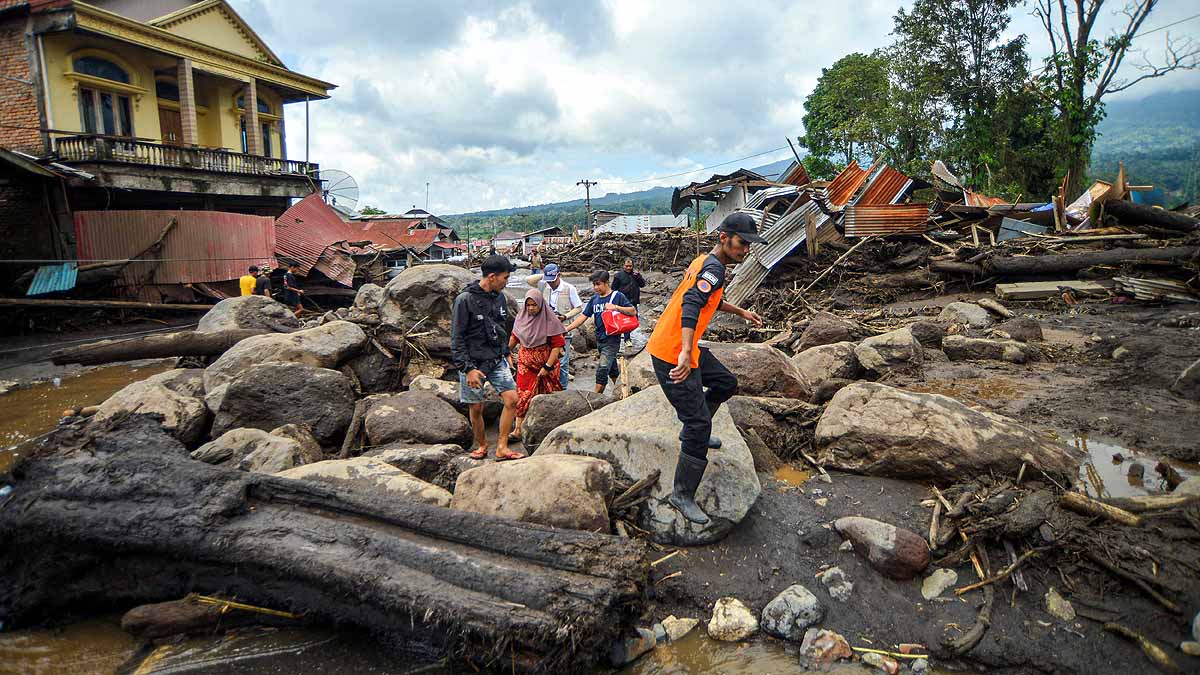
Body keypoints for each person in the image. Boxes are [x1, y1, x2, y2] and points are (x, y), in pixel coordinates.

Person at [646, 212, 766, 525]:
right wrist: (686, 351)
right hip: (672, 352)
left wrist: (741, 312)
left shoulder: (709, 264)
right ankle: (681, 494)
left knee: (726, 383)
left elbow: (710, 298)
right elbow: (691, 304)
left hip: (682, 346)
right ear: (724, 237)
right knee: (700, 423)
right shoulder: (713, 267)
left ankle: (692, 430)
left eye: (749, 245)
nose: (746, 250)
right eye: (742, 243)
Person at [451, 254, 522, 460]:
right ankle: (482, 445)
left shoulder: (500, 297)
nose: (506, 281)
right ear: (492, 276)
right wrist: (467, 368)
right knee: (476, 407)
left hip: (496, 359)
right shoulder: (464, 300)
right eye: (505, 277)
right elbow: (457, 337)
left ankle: (502, 446)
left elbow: (501, 328)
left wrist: (506, 352)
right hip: (473, 364)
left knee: (512, 399)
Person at [507, 288, 565, 440]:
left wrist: (547, 367)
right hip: (525, 365)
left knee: (547, 395)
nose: (531, 308)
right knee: (523, 394)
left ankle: (546, 428)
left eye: (534, 305)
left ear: (541, 304)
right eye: (528, 305)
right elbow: (515, 337)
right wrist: (505, 353)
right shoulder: (521, 319)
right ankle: (518, 429)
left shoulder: (550, 321)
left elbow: (557, 346)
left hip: (547, 366)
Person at [565, 270, 635, 394]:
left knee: (602, 370)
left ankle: (595, 399)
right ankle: (623, 393)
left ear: (607, 283)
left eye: (598, 284)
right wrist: (566, 329)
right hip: (599, 340)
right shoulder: (594, 299)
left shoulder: (617, 296)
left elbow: (632, 311)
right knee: (612, 369)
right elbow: (583, 317)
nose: (596, 287)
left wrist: (616, 307)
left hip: (612, 340)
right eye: (594, 285)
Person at [536, 263, 583, 390]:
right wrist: (545, 276)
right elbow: (528, 280)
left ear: (559, 276)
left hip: (564, 329)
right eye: (548, 280)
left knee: (562, 362)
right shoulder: (544, 286)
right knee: (548, 360)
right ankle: (550, 386)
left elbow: (578, 307)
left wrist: (565, 316)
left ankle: (563, 388)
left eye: (553, 280)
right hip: (547, 330)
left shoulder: (569, 288)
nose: (551, 283)